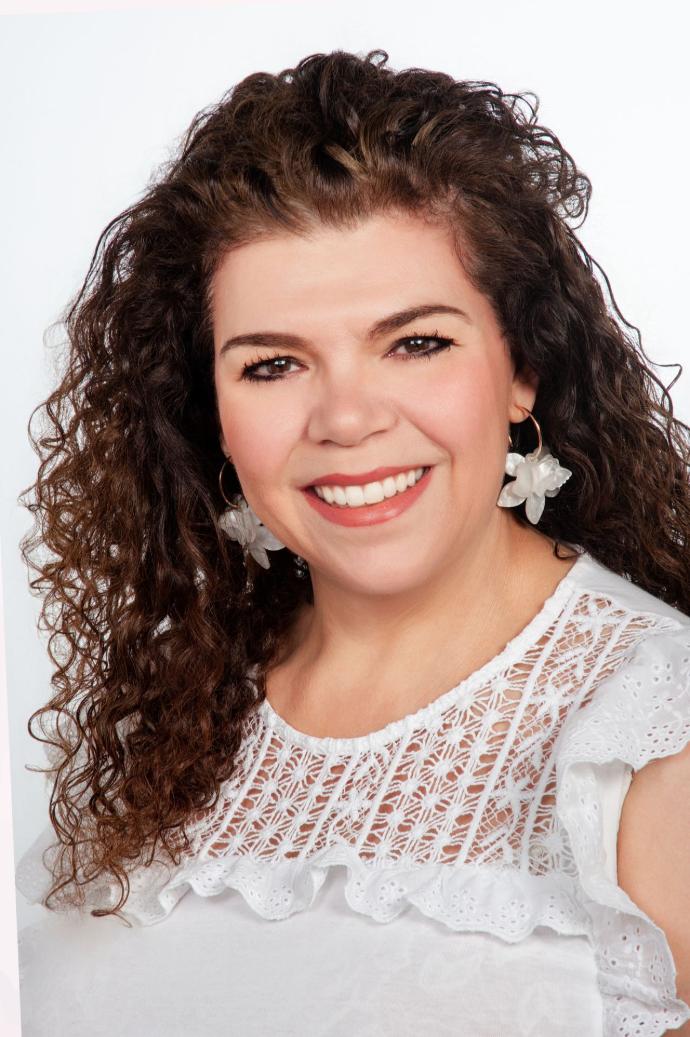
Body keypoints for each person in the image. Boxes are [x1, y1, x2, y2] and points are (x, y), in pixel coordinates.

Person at [14, 48, 690, 1037]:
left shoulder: (654, 735)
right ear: (210, 412)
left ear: (523, 370)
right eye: (273, 364)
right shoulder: (168, 711)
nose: (346, 418)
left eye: (416, 342)